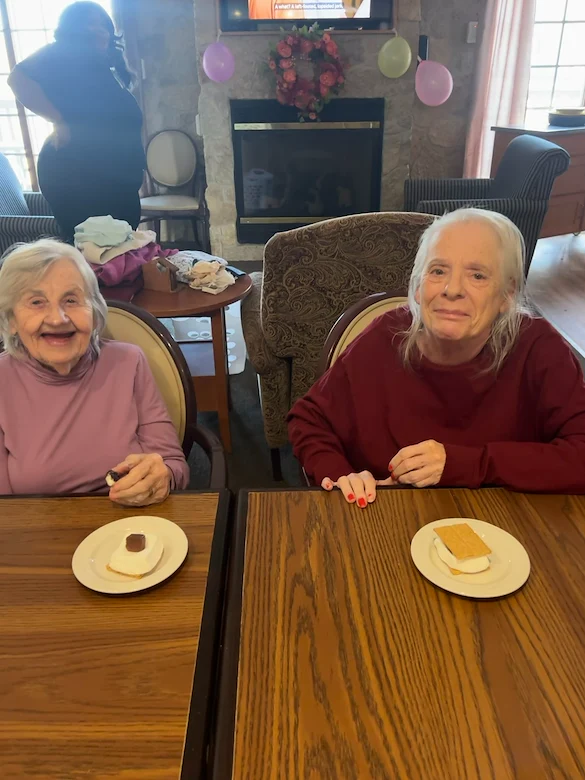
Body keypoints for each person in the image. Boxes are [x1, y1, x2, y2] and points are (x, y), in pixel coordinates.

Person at [288, 208, 585, 506]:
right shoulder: (384, 336)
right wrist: (342, 476)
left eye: (477, 275)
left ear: (507, 295)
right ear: (418, 287)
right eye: (438, 271)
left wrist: (472, 464)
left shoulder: (538, 348)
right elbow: (309, 420)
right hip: (385, 522)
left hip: (503, 529)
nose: (452, 289)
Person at [0, 239, 189, 504]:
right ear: (11, 321)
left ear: (94, 310)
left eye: (71, 299)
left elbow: (173, 465)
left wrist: (162, 476)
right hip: (38, 533)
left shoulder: (128, 362)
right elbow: (5, 510)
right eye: (36, 302)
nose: (58, 319)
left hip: (130, 526)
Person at [8, 2, 145, 243]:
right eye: (89, 23)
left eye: (102, 23)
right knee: (95, 254)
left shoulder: (107, 66)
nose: (98, 29)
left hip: (117, 181)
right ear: (72, 28)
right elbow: (17, 78)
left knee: (119, 256)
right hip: (78, 177)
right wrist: (58, 120)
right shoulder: (61, 52)